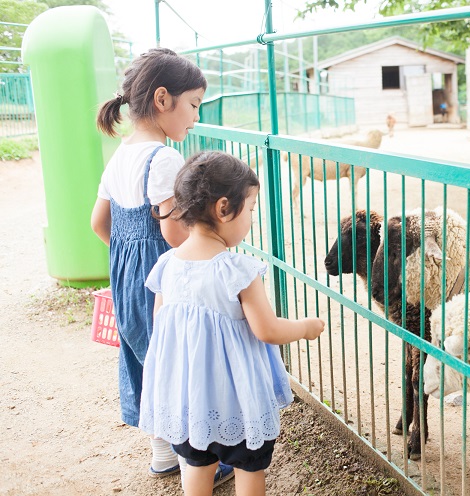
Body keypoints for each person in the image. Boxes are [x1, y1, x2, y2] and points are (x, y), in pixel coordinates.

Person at [140, 151, 326, 496]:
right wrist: (305, 327)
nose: (252, 218)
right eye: (251, 208)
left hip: (188, 400)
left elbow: (161, 329)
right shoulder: (237, 270)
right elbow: (267, 329)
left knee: (196, 466)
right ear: (224, 208)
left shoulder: (167, 265)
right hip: (236, 400)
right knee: (248, 467)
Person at [90, 48, 232, 486]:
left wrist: (129, 256)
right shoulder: (163, 158)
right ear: (163, 98)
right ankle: (198, 460)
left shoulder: (119, 155)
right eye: (193, 106)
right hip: (162, 285)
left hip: (128, 280)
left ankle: (162, 452)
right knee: (178, 364)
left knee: (149, 360)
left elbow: (99, 224)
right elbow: (174, 235)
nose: (194, 118)